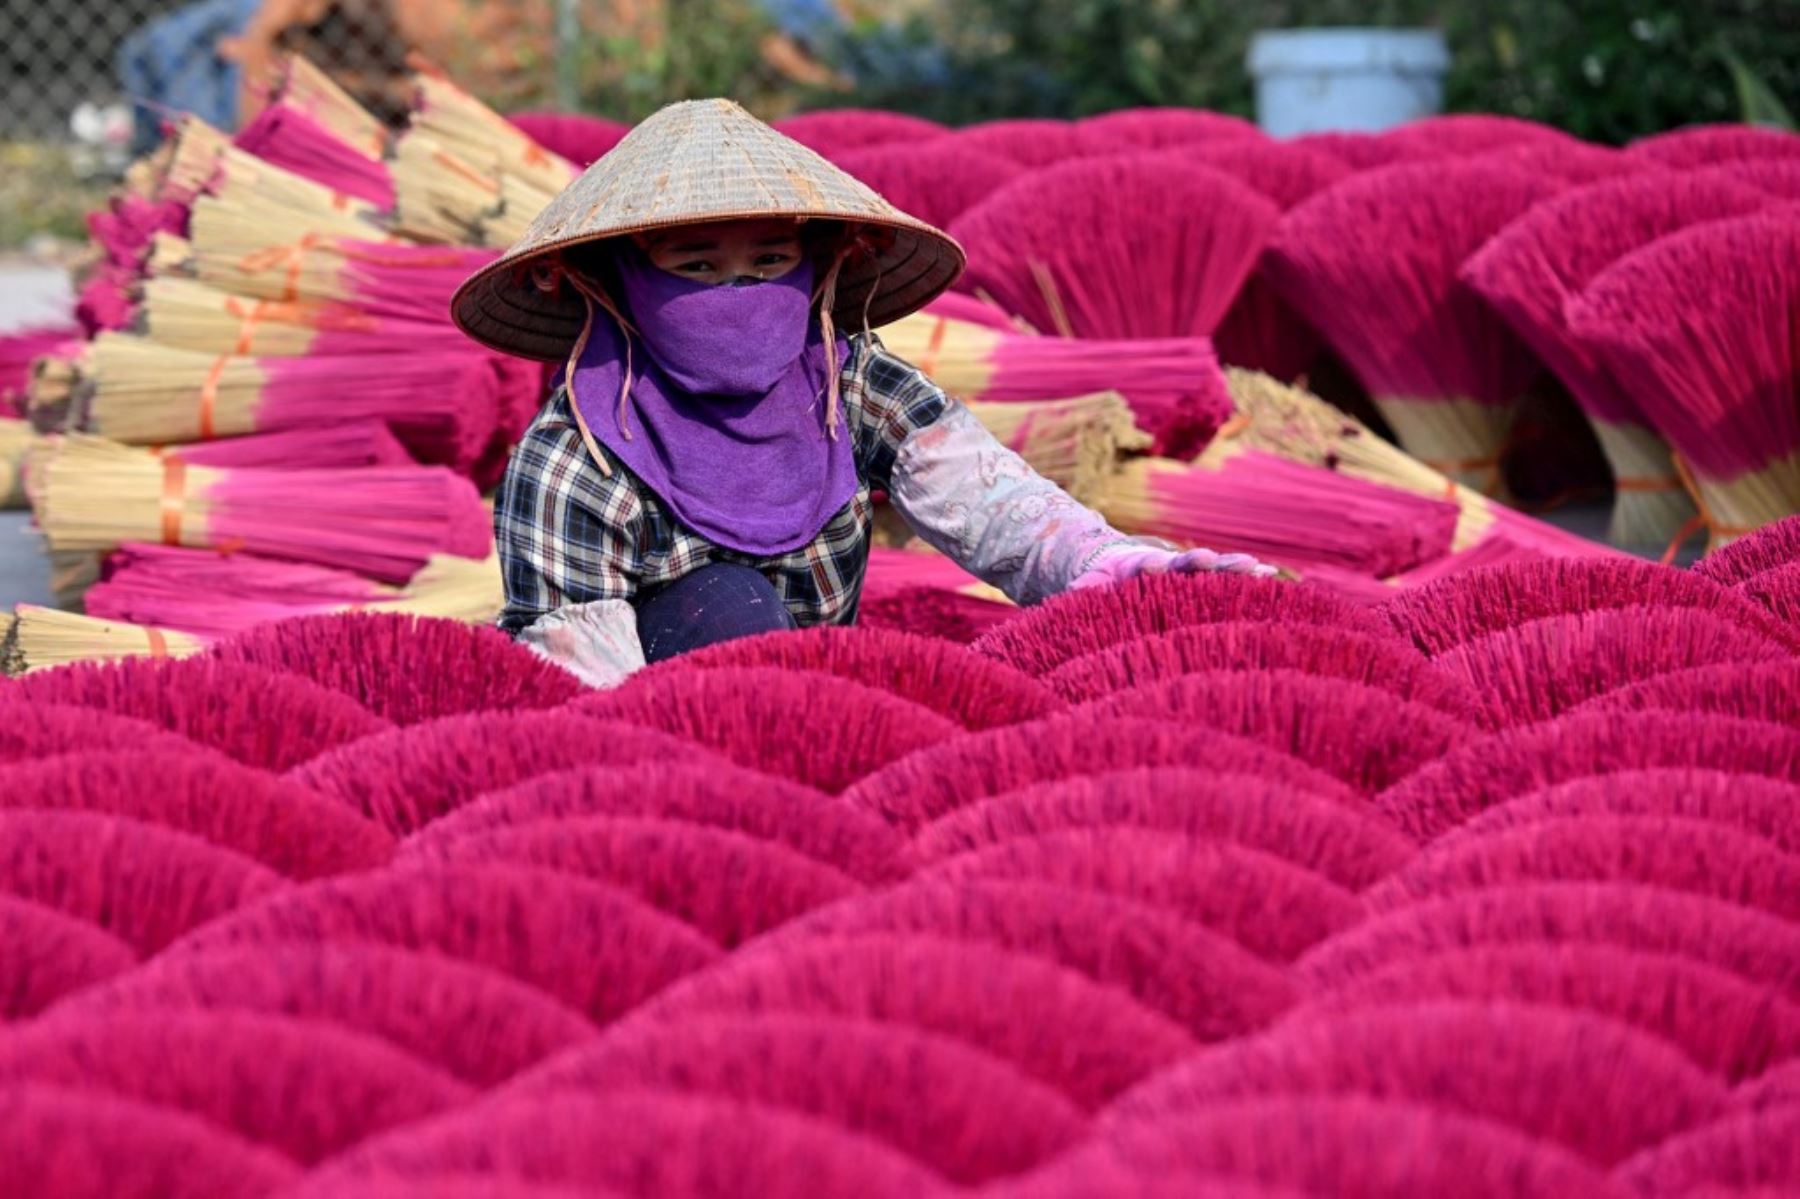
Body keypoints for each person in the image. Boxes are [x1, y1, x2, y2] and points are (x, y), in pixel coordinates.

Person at [452, 99, 1270, 688]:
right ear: (618, 283)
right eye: (696, 267)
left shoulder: (844, 383)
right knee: (725, 598)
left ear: (819, 266)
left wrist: (1114, 568)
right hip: (663, 709)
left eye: (770, 262)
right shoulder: (576, 457)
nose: (739, 290)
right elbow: (578, 679)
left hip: (824, 691)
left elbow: (986, 502)